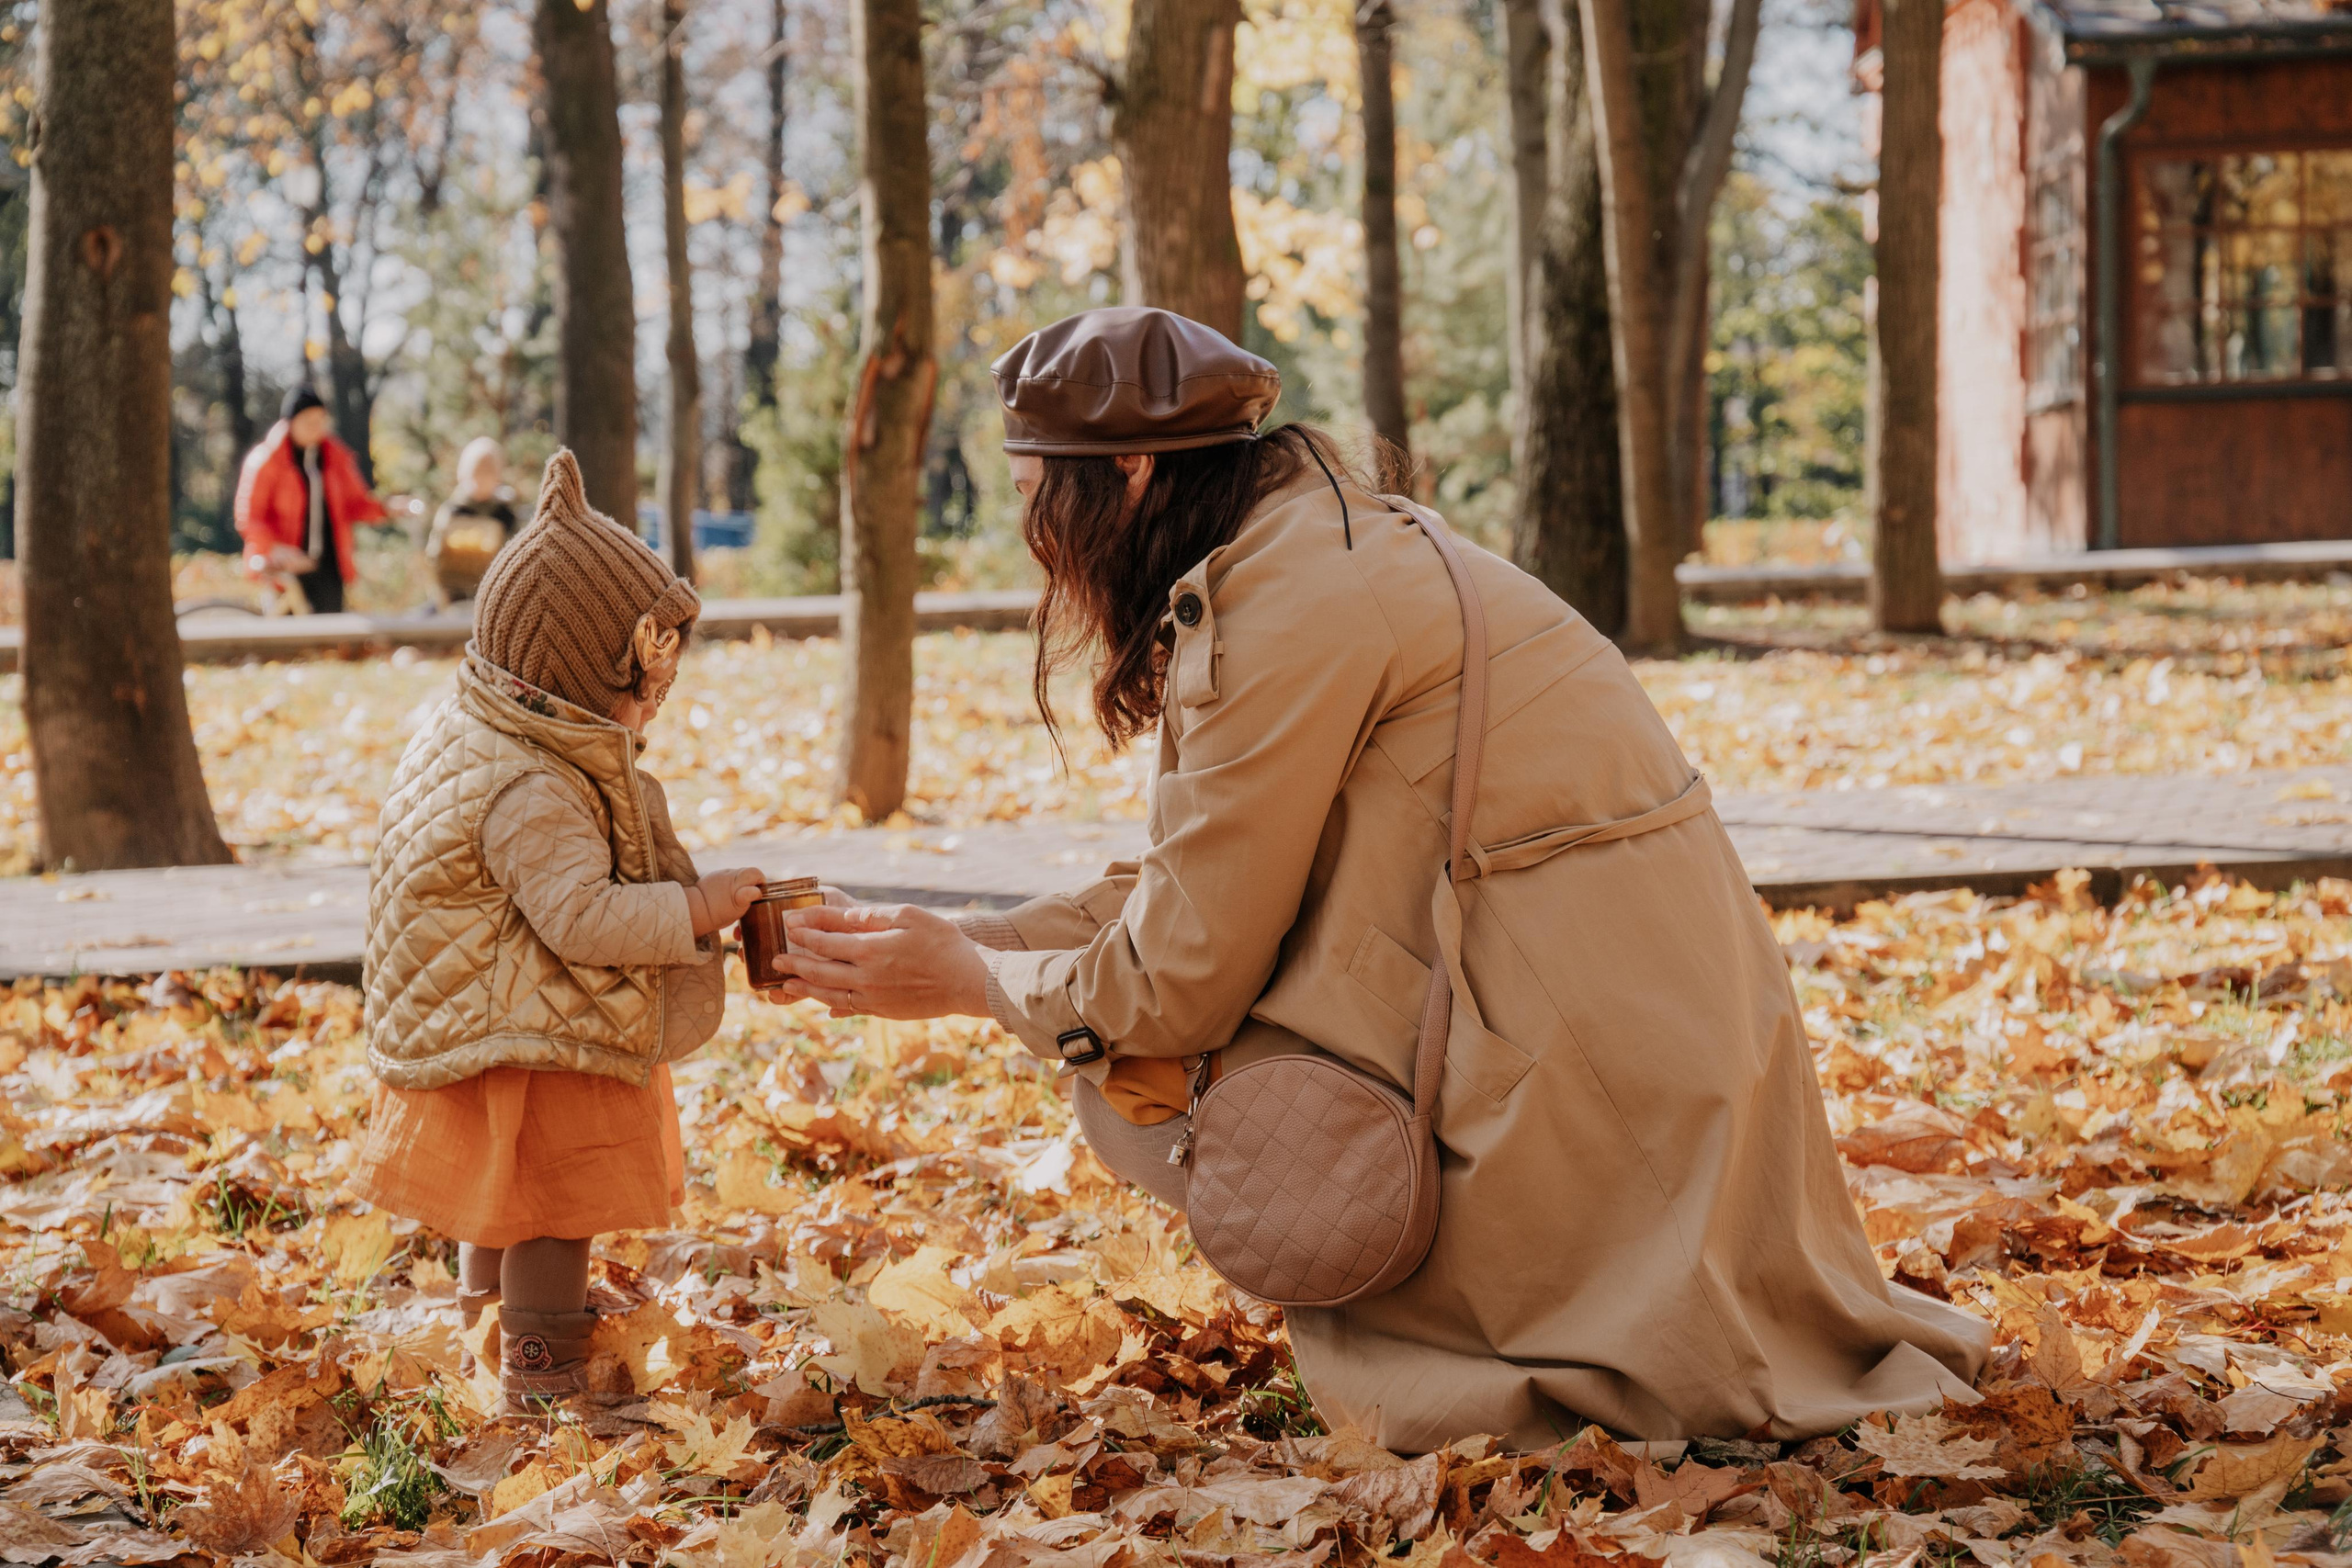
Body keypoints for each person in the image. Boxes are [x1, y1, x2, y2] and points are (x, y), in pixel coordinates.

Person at [762, 307, 1991, 1452]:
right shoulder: (1320, 536)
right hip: (1657, 1036)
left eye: (1042, 507)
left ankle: (1536, 1327)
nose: (1039, 552)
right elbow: (1198, 879)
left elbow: (1178, 977)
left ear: (1128, 479)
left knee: (1130, 1060)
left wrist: (978, 982)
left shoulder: (1288, 603)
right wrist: (970, 935)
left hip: (1592, 1078)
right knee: (1113, 1015)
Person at [347, 448, 766, 1413]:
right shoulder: (532, 784)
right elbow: (579, 917)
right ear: (570, 678)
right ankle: (543, 1384)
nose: (652, 711)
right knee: (548, 1208)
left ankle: (482, 1338)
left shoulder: (491, 731)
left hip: (495, 1012)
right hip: (535, 1031)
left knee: (502, 1199)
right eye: (642, 687)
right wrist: (699, 909)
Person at [233, 387, 387, 615]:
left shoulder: (336, 457)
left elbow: (356, 504)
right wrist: (275, 549)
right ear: (290, 422)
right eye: (308, 421)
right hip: (285, 569)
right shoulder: (266, 461)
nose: (316, 427)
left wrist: (387, 509)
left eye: (321, 420)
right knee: (285, 641)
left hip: (328, 567)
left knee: (328, 641)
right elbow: (250, 517)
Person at [425, 436, 521, 609]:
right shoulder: (453, 512)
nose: (481, 478)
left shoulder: (505, 515)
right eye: (477, 471)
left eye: (488, 471)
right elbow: (435, 555)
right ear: (463, 473)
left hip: (495, 598)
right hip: (454, 596)